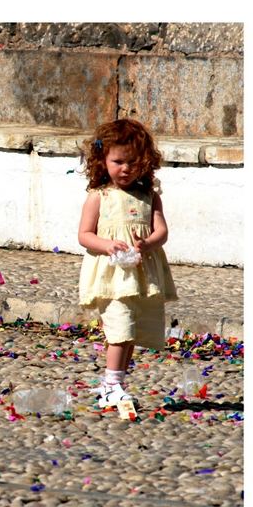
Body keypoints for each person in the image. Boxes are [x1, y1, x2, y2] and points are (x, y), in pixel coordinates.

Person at [77, 119, 177, 407]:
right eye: (118, 161)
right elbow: (84, 235)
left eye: (132, 162)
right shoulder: (99, 197)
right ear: (102, 160)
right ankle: (111, 386)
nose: (125, 168)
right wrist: (108, 245)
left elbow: (162, 231)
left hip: (142, 275)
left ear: (144, 161)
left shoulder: (149, 197)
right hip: (112, 276)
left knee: (130, 330)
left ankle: (115, 382)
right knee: (119, 328)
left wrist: (147, 244)